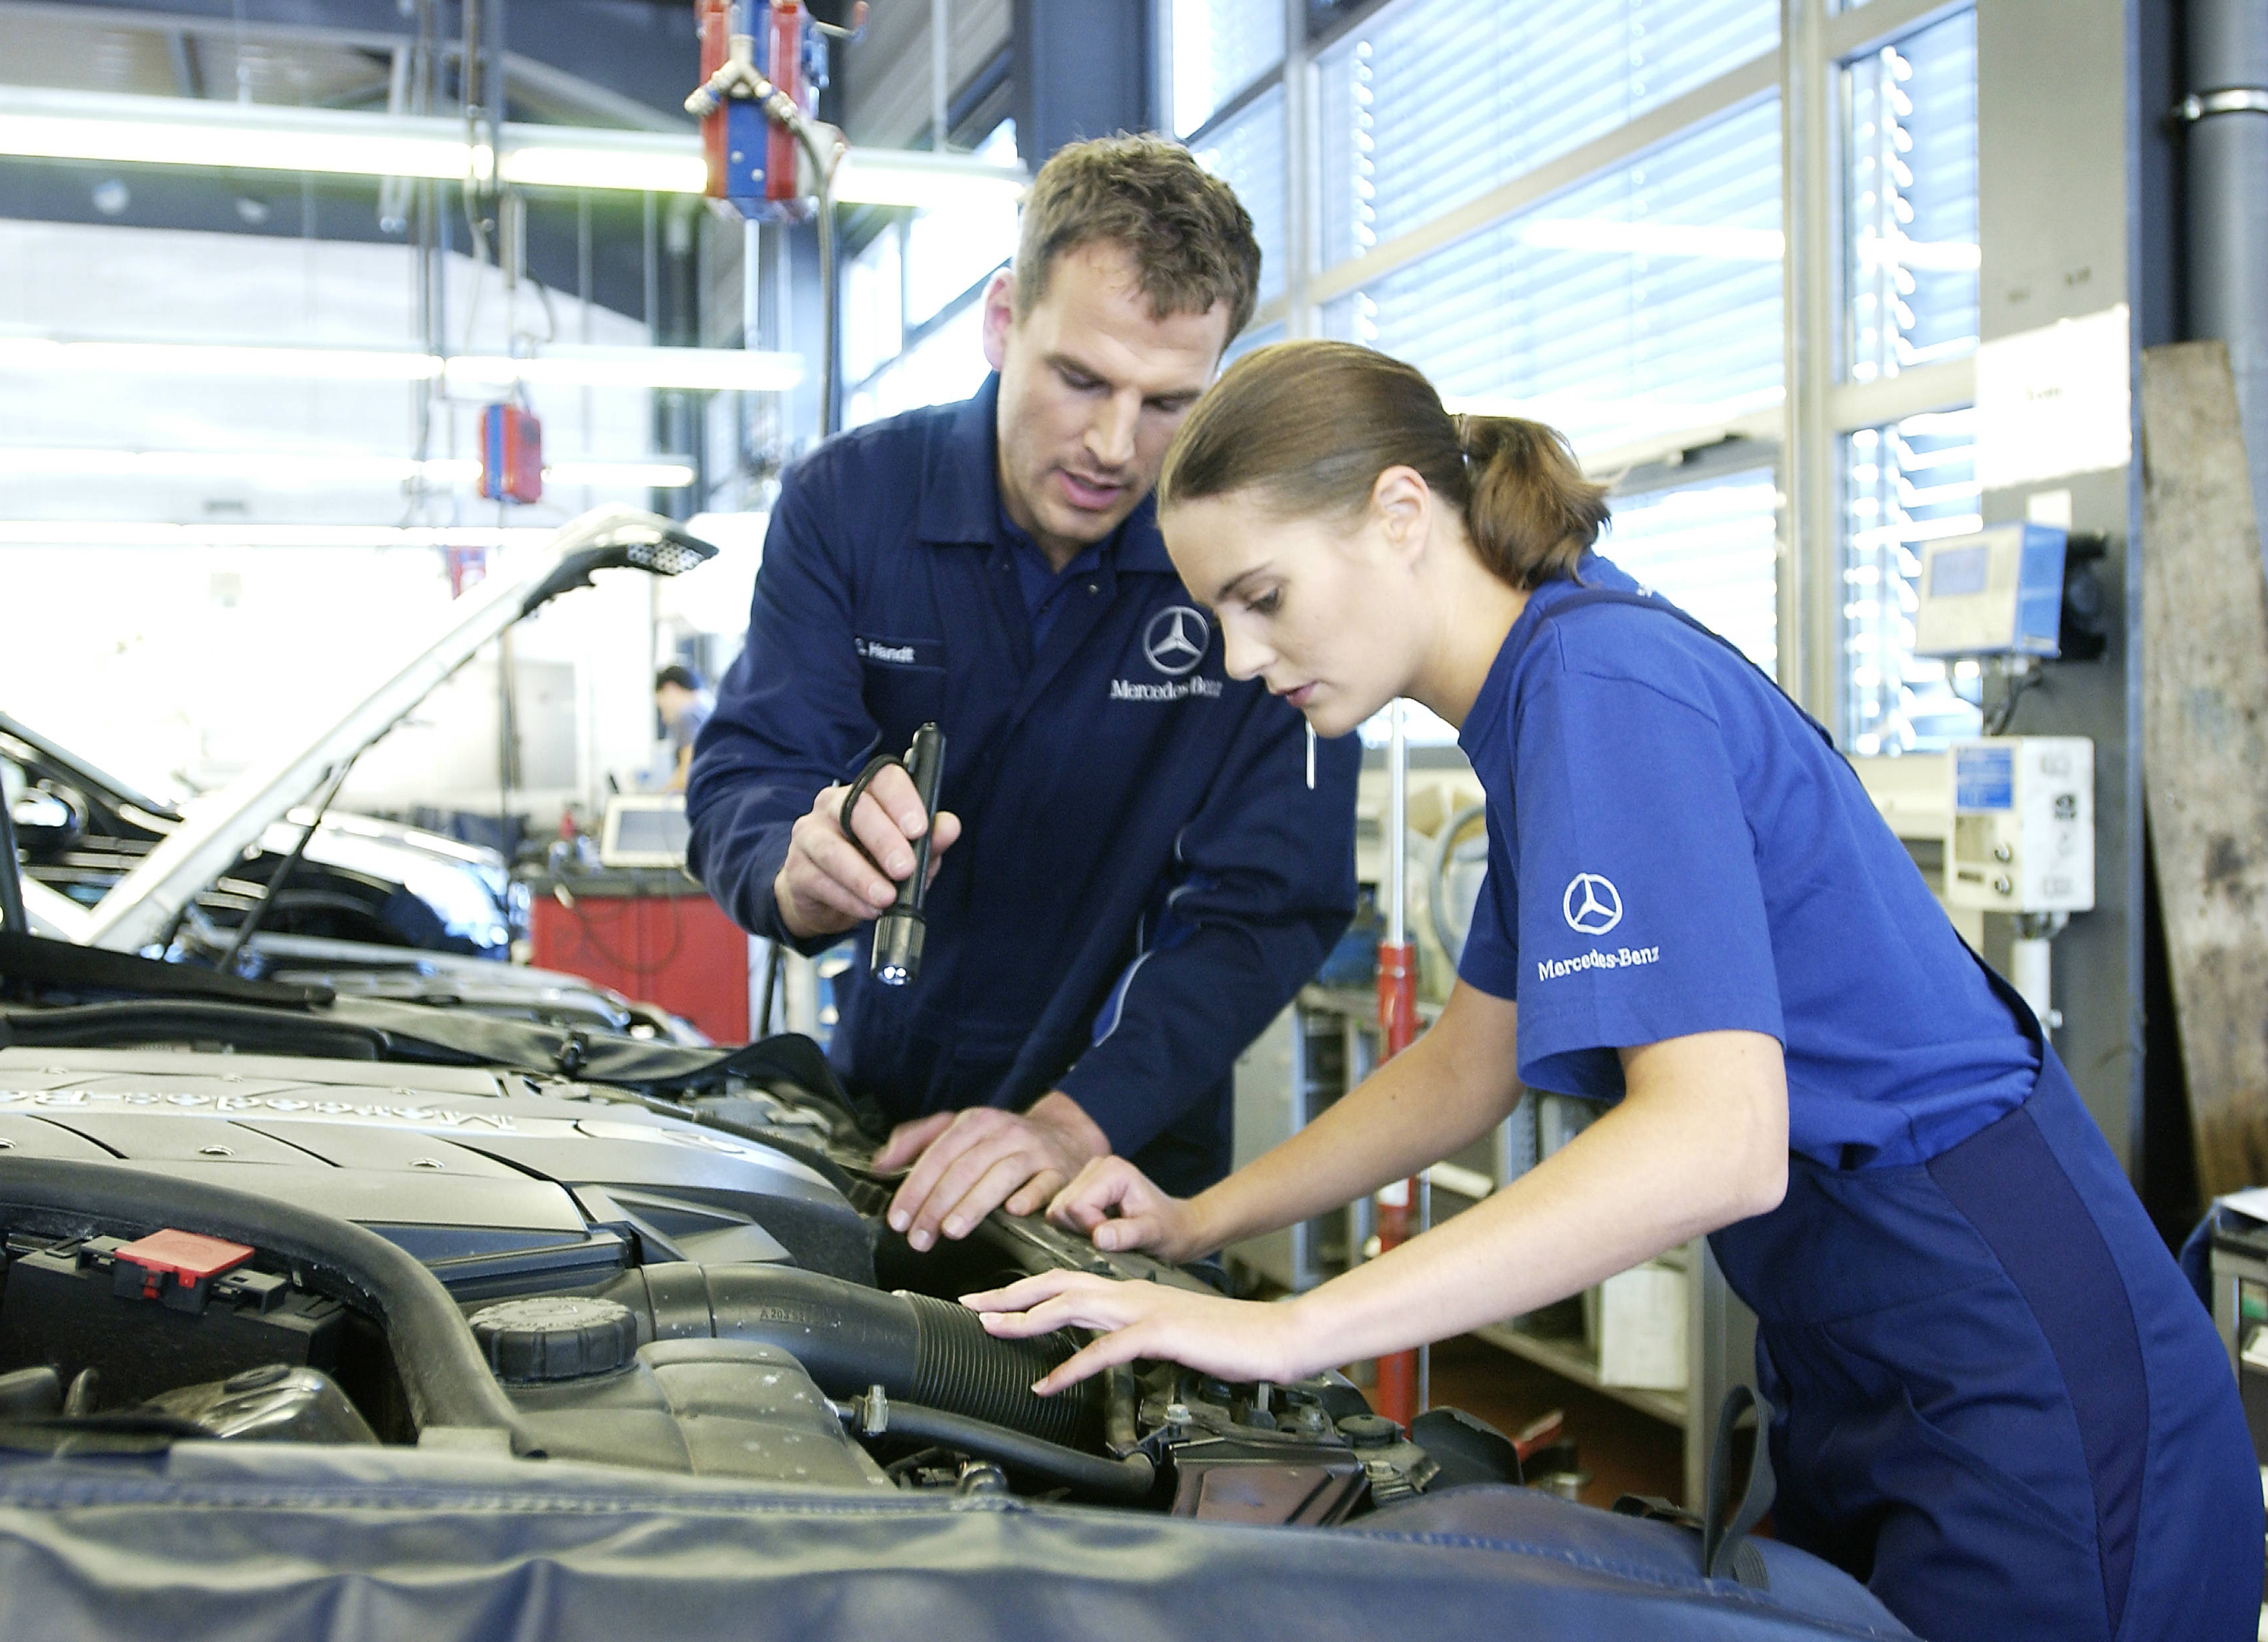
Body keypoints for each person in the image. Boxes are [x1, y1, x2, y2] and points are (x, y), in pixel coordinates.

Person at [965, 340, 2262, 1642]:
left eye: (1262, 596)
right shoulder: (1547, 682)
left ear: (1399, 513)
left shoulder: (1595, 683)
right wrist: (1196, 1226)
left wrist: (1296, 1328)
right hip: (1866, 1349)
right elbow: (1469, 1067)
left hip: (2013, 1354)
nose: (1241, 658)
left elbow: (1714, 1143)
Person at [687, 138, 1359, 1250]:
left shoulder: (1245, 565)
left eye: (1165, 404)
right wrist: (797, 871)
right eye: (1081, 379)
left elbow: (1267, 901)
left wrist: (1071, 1123)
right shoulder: (850, 505)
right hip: (887, 1113)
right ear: (1003, 321)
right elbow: (750, 774)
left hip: (1125, 1153)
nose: (1111, 446)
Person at [655, 664, 712, 793]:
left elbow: (687, 774)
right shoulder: (706, 705)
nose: (664, 718)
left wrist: (655, 799)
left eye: (661, 708)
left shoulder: (686, 715)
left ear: (670, 689)